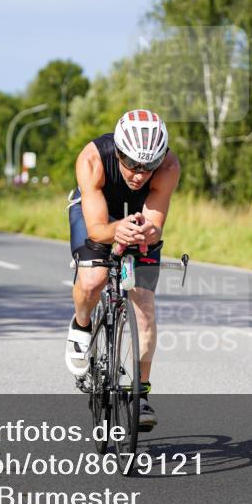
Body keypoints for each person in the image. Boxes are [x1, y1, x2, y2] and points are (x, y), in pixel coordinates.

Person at [66, 109, 180, 431]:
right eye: (131, 164)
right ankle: (82, 324)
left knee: (143, 305)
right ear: (117, 151)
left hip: (137, 219)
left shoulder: (169, 167)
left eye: (149, 167)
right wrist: (118, 232)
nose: (139, 175)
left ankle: (140, 393)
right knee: (94, 279)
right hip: (97, 215)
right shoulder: (92, 159)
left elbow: (155, 225)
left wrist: (146, 233)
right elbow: (97, 229)